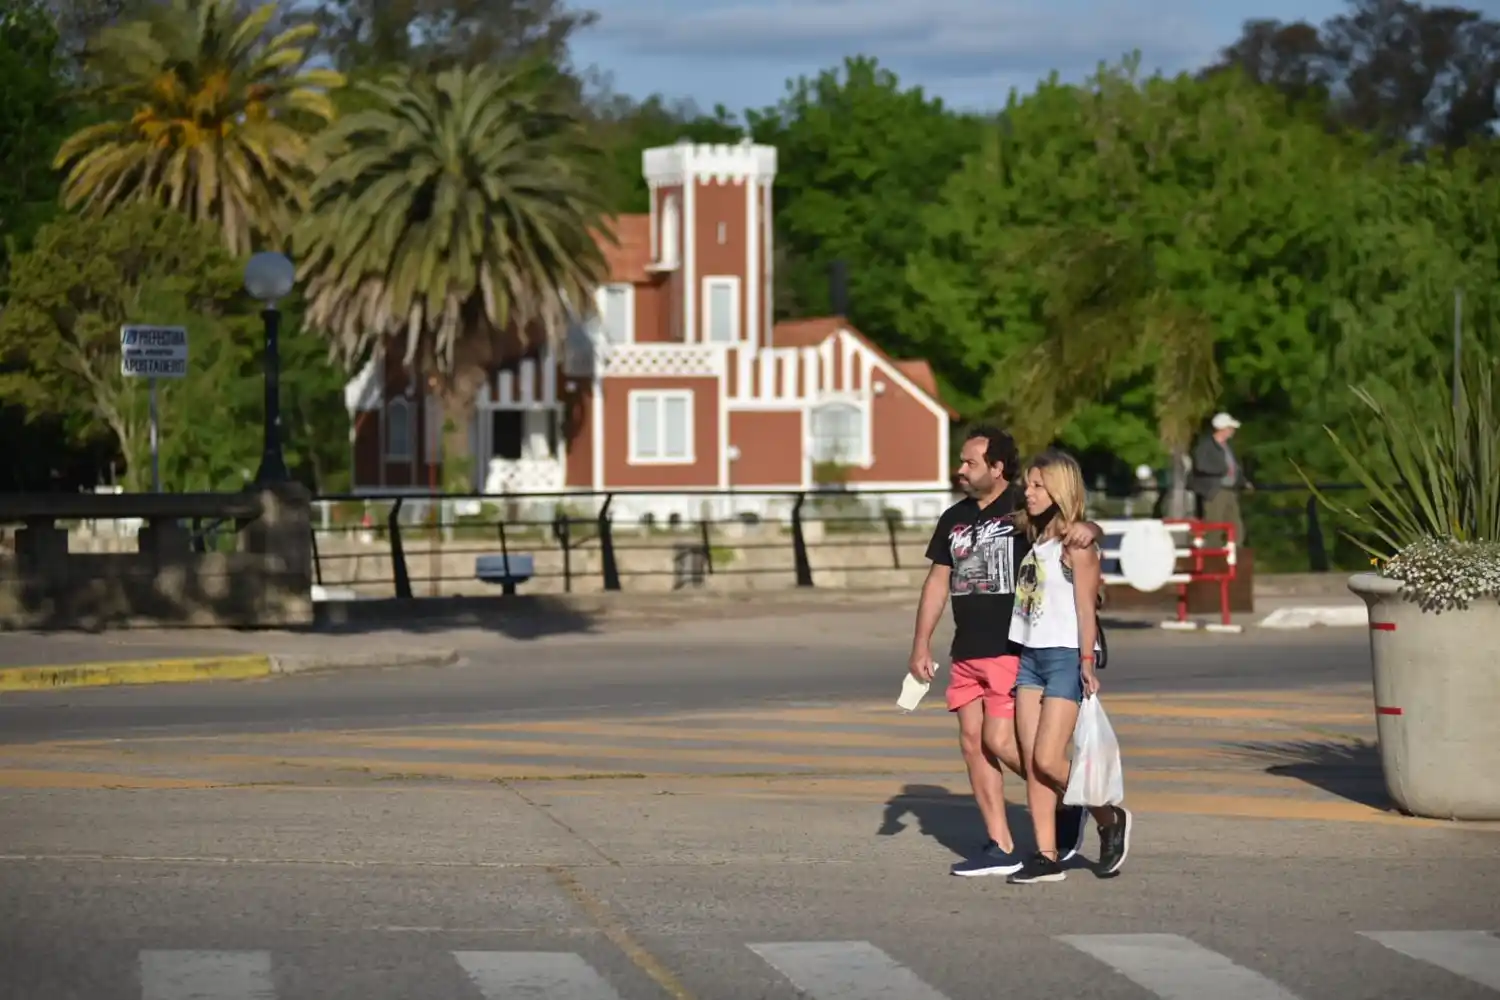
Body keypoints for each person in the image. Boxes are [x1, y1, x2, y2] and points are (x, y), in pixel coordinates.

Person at [908, 426, 1102, 878]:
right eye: (961, 461)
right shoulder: (953, 518)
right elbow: (938, 581)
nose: (960, 469)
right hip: (966, 649)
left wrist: (1091, 527)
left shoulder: (1024, 504)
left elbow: (1072, 522)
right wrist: (921, 642)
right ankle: (1001, 845)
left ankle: (1067, 798)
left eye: (970, 462)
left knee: (1005, 743)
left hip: (1014, 647)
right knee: (974, 745)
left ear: (997, 468)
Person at [1004, 449, 1131, 885]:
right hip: (1029, 657)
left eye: (1039, 485)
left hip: (1063, 658)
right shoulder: (1032, 535)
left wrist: (1084, 662)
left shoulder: (1077, 546)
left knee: (1047, 757)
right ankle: (1045, 855)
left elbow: (1084, 610)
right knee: (1032, 762)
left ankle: (1107, 815)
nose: (1030, 491)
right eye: (1029, 484)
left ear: (1060, 490)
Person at [1190, 412, 1250, 548]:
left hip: (1230, 490)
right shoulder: (1205, 446)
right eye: (1230, 428)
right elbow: (1200, 465)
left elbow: (1235, 466)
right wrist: (1221, 470)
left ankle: (1235, 554)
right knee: (1214, 524)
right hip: (1215, 490)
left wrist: (1242, 481)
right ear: (1223, 429)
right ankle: (1212, 556)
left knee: (1236, 525)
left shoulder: (1228, 447)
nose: (1233, 431)